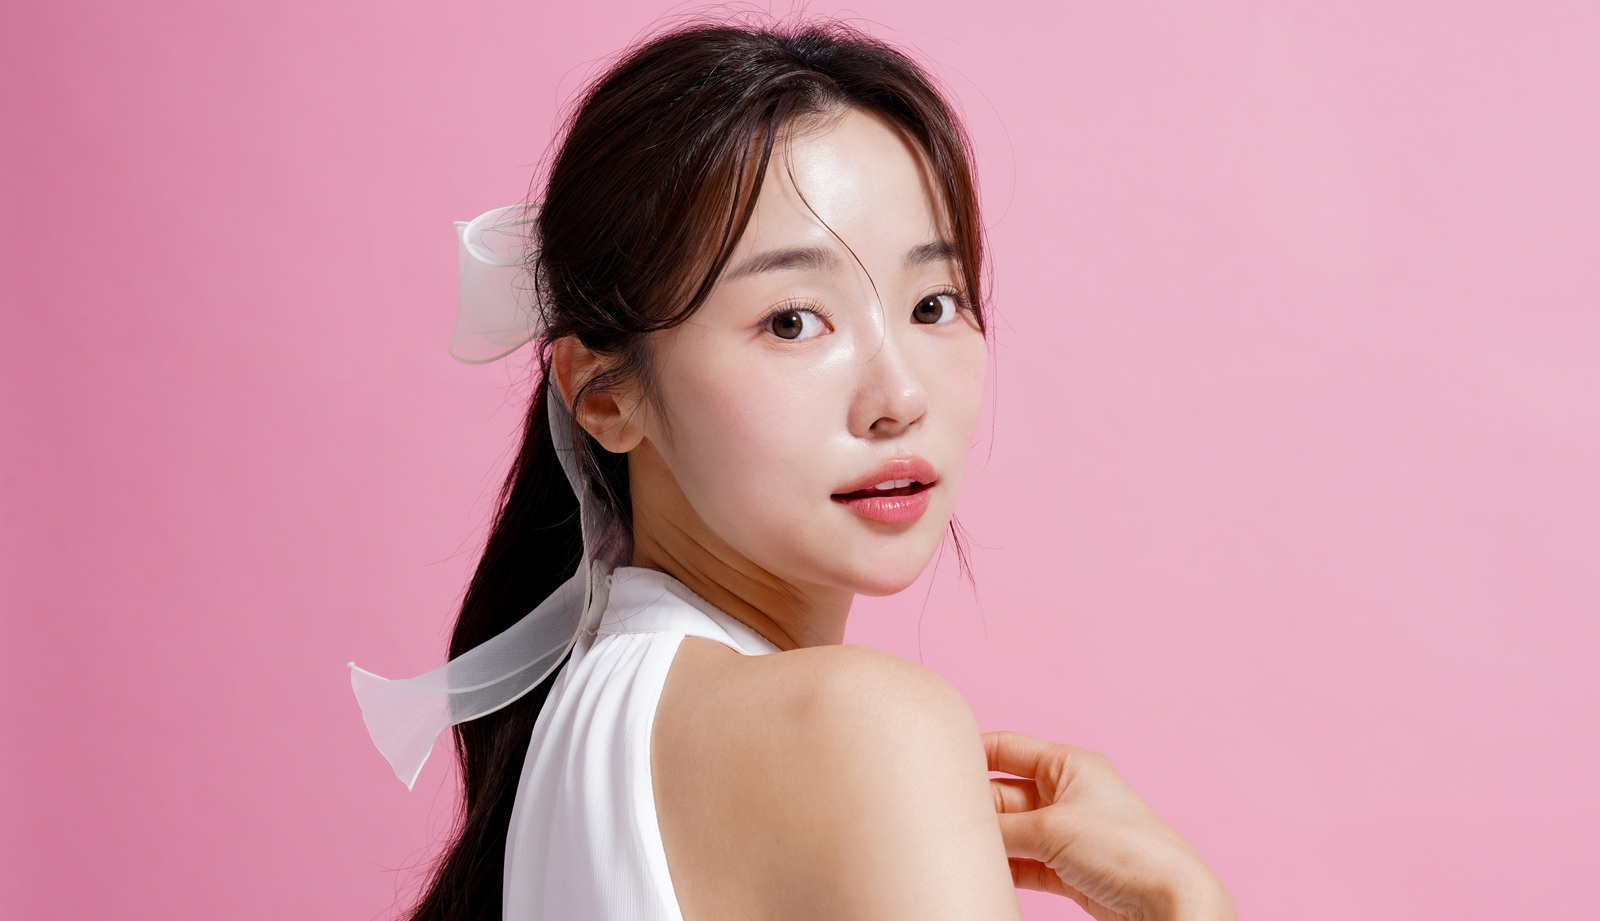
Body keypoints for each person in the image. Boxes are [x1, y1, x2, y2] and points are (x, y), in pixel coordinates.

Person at [348, 20, 1235, 921]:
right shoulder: (862, 726)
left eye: (934, 302)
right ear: (605, 393)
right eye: (792, 321)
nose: (899, 396)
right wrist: (1184, 904)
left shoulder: (578, 725)